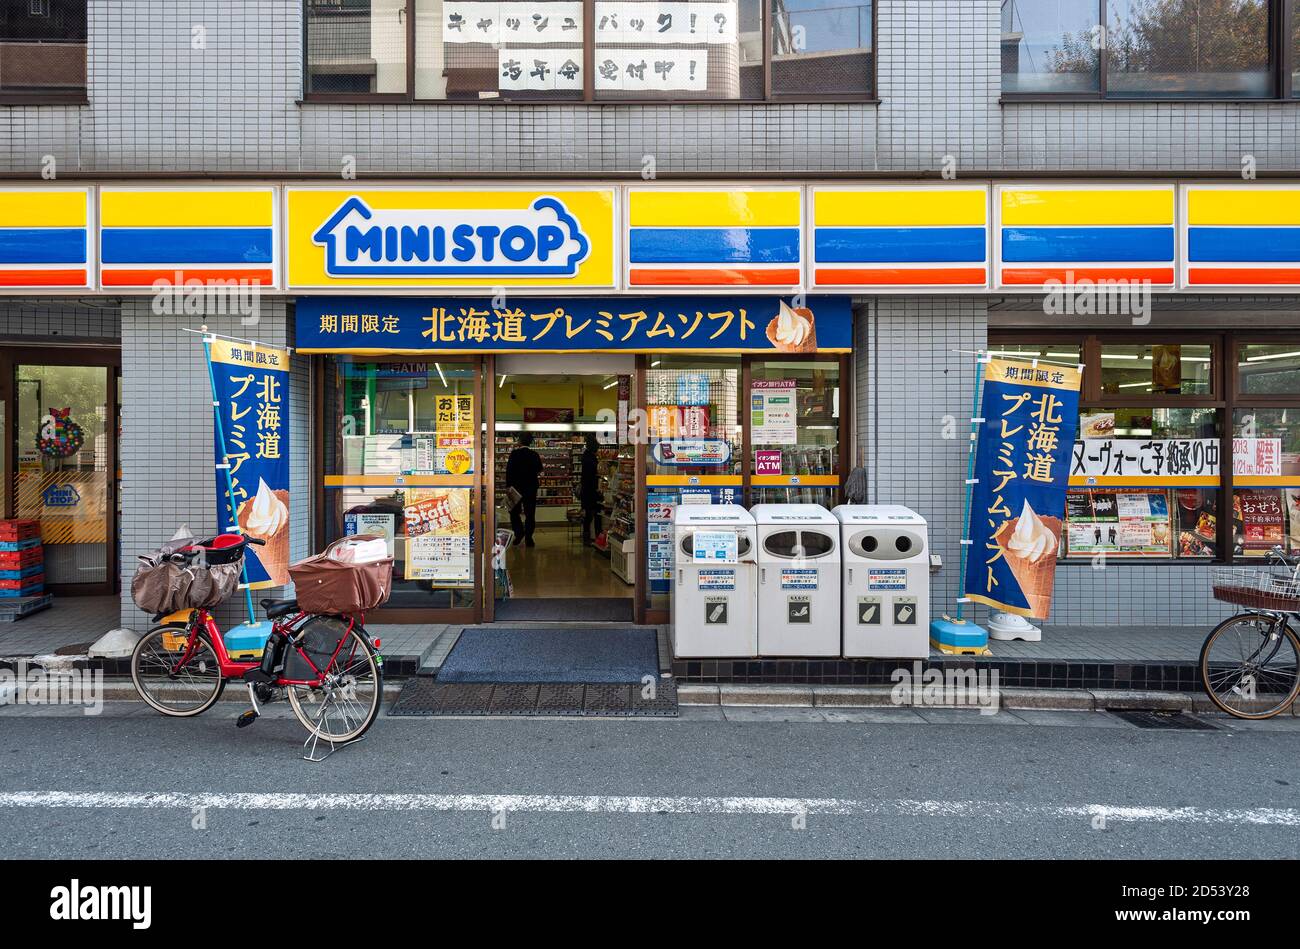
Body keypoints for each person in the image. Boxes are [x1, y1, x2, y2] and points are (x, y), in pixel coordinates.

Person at [505, 432, 543, 547]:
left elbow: (509, 471)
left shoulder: (514, 454)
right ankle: (529, 538)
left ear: (520, 441)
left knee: (514, 512)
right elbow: (539, 469)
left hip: (515, 488)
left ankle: (519, 533)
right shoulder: (534, 455)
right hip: (530, 488)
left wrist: (508, 486)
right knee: (530, 513)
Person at [579, 433, 602, 546]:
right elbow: (593, 475)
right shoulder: (591, 458)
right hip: (591, 491)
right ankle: (596, 537)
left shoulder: (586, 456)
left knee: (588, 516)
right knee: (594, 515)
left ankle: (588, 537)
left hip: (586, 491)